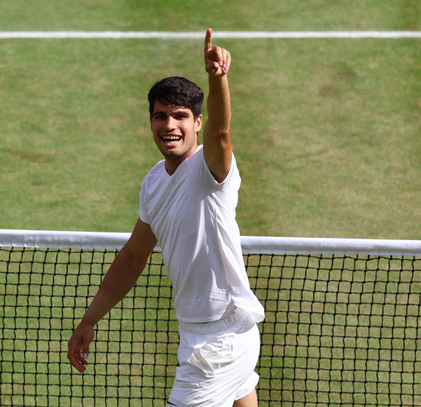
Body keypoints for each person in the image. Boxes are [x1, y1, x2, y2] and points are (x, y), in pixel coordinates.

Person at [67, 28, 265, 407]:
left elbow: (222, 132)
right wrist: (90, 319)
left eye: (180, 116)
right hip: (203, 331)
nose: (169, 125)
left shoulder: (211, 172)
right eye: (160, 116)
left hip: (219, 340)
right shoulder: (154, 181)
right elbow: (133, 255)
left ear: (197, 122)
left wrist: (217, 78)